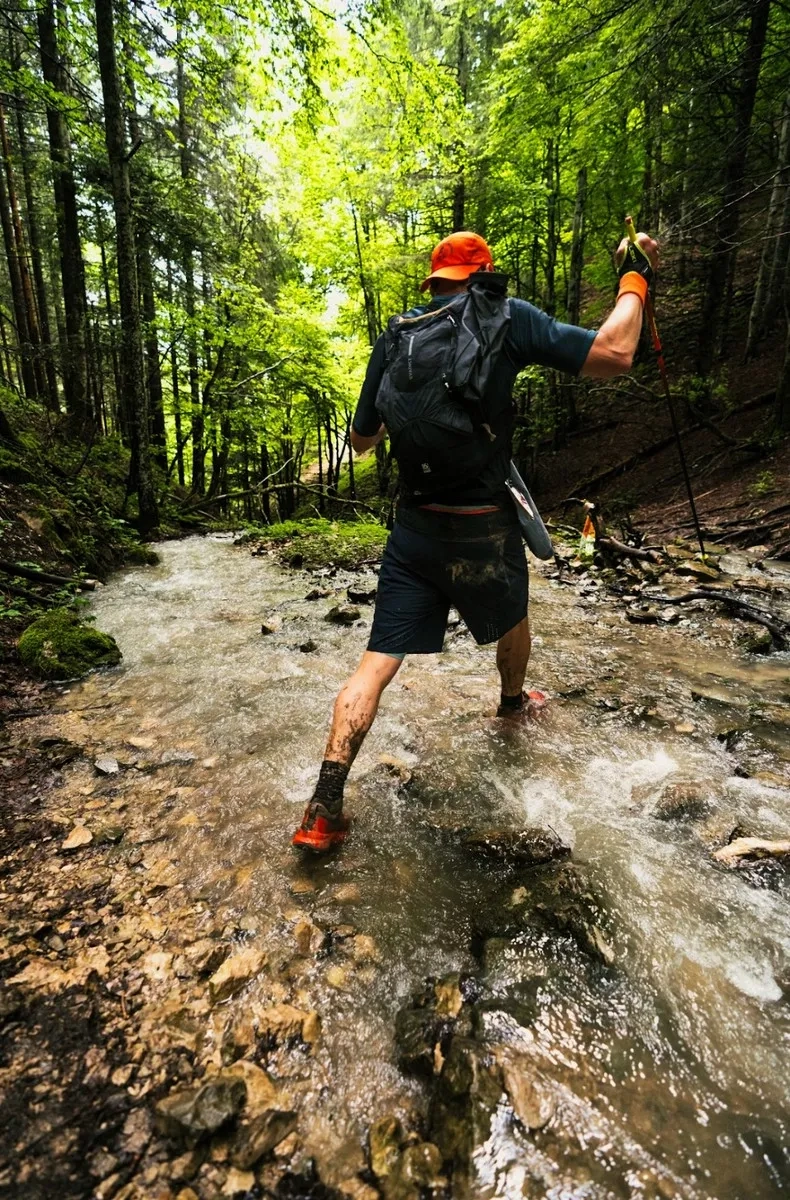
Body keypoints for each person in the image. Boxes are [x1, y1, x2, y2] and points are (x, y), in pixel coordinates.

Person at [292, 227, 658, 852]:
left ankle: (323, 807)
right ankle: (512, 704)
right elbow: (616, 354)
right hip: (484, 523)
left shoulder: (397, 334)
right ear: (483, 273)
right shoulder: (507, 317)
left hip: (415, 526)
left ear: (434, 281)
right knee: (512, 612)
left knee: (375, 665)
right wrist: (636, 278)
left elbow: (362, 441)